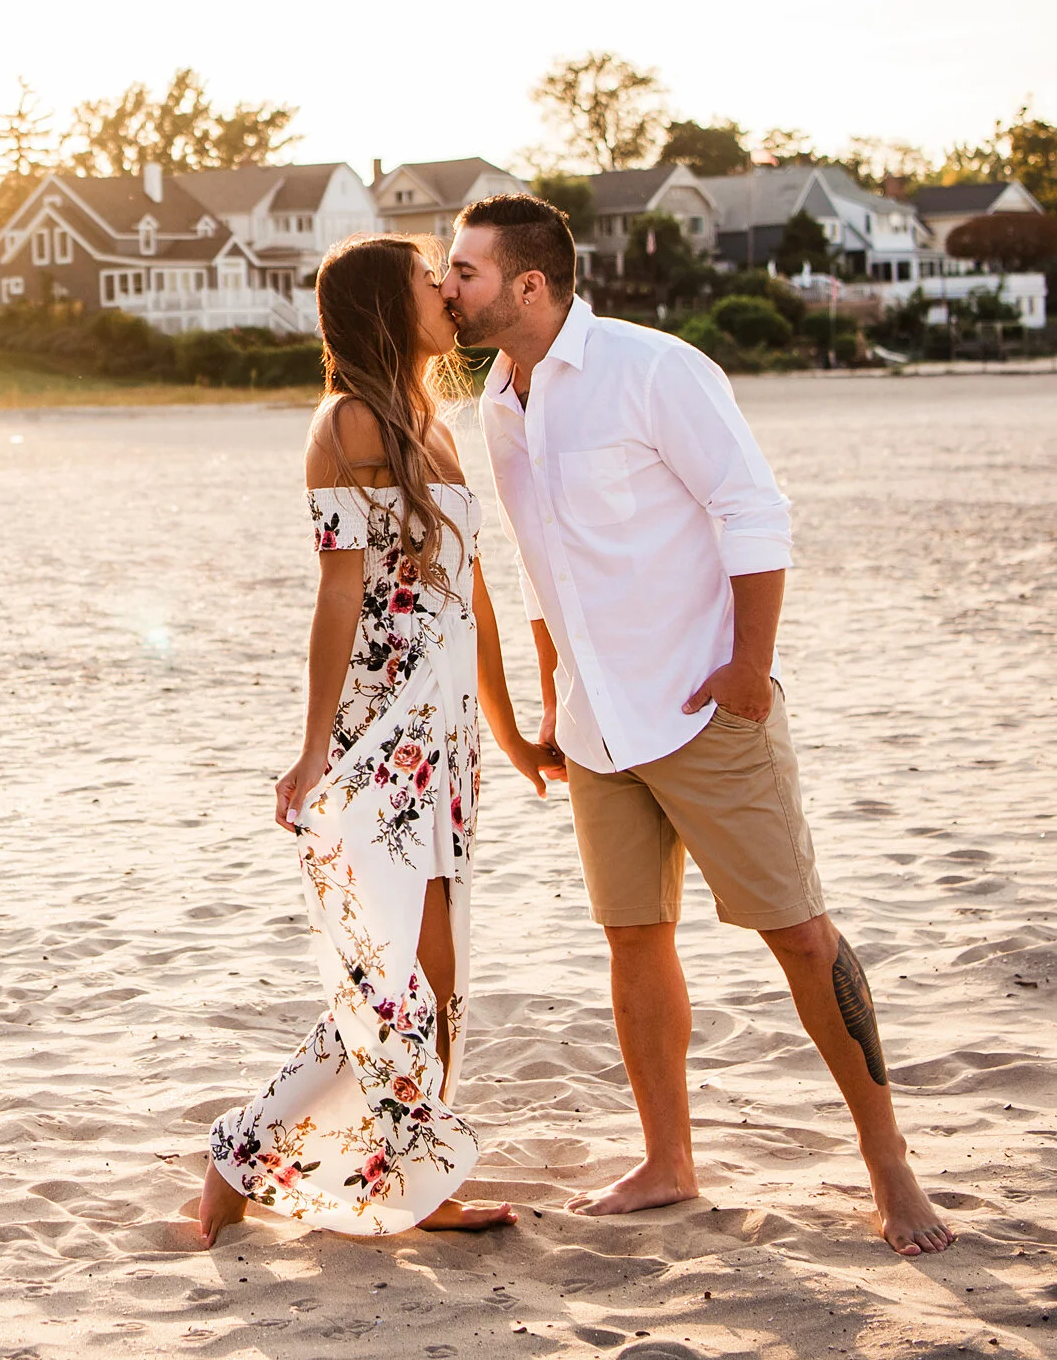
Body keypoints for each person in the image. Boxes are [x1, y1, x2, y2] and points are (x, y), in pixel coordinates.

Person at [441, 193, 954, 1260]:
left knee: (798, 933)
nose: (447, 288)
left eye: (464, 272)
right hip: (593, 726)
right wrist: (547, 704)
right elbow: (545, 570)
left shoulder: (652, 369)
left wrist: (750, 668)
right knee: (633, 939)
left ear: (528, 284)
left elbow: (752, 508)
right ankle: (668, 1158)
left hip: (701, 705)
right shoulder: (496, 398)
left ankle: (886, 1162)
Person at [199, 234, 562, 1245]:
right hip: (380, 735)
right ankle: (389, 1172)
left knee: (434, 982)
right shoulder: (347, 420)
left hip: (447, 746)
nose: (446, 293)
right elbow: (337, 591)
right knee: (391, 979)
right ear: (380, 307)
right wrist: (312, 745)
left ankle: (260, 1149)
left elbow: (473, 600)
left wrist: (515, 737)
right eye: (426, 281)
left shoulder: (434, 425)